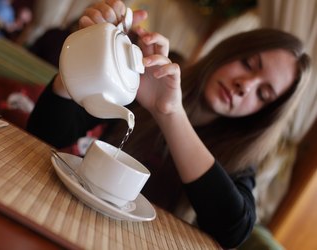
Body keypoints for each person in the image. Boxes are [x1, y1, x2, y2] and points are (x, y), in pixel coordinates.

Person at [26, 0, 311, 248]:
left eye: (263, 93)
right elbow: (45, 134)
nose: (244, 86)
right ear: (229, 51)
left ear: (264, 113)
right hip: (68, 214)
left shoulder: (240, 159)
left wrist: (169, 111)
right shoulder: (155, 68)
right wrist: (83, 56)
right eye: (249, 64)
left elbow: (232, 231)